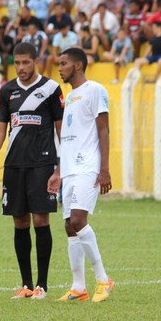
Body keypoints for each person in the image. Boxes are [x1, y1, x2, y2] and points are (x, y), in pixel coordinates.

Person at [0, 42, 63, 300]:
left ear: (35, 61)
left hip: (42, 164)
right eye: (17, 63)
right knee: (19, 221)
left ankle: (42, 285)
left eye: (25, 62)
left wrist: (60, 166)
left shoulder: (51, 89)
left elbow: (62, 130)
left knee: (41, 219)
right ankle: (26, 284)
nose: (21, 68)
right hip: (14, 164)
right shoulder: (7, 91)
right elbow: (0, 129)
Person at [55, 47, 114, 303]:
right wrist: (59, 170)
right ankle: (78, 287)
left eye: (64, 63)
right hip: (69, 170)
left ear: (78, 65)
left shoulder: (95, 90)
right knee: (69, 226)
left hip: (88, 167)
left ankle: (104, 279)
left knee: (79, 220)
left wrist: (105, 169)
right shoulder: (69, 98)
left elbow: (104, 130)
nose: (60, 68)